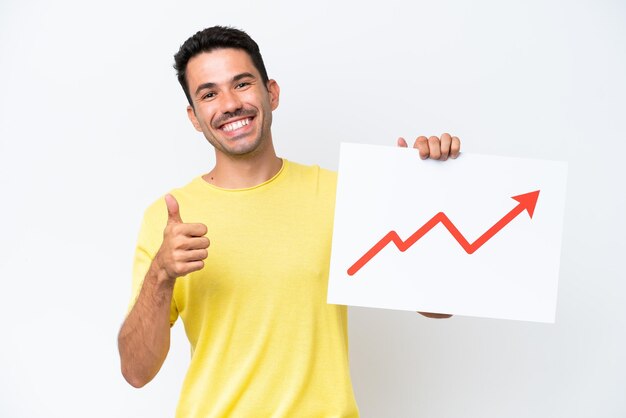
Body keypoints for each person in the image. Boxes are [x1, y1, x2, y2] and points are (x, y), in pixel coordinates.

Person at [117, 26, 460, 418]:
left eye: (242, 84)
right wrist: (161, 273)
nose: (229, 104)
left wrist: (424, 195)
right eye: (209, 93)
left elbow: (437, 308)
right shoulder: (167, 217)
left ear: (272, 93)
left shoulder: (339, 195)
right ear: (195, 118)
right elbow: (135, 371)